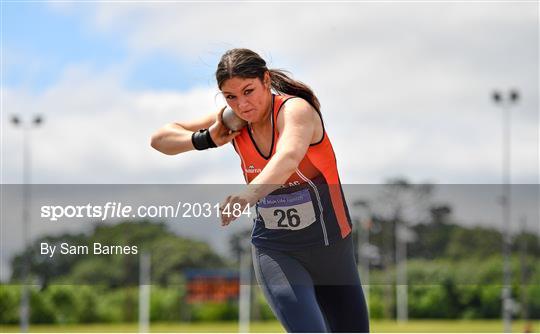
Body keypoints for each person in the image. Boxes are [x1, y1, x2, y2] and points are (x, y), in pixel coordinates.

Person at [151, 48, 370, 333]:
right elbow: (160, 139)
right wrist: (206, 138)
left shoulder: (296, 111)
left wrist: (248, 195)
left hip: (333, 251)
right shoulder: (233, 121)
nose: (242, 104)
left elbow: (288, 156)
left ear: (266, 80)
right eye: (231, 97)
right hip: (277, 252)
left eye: (248, 91)